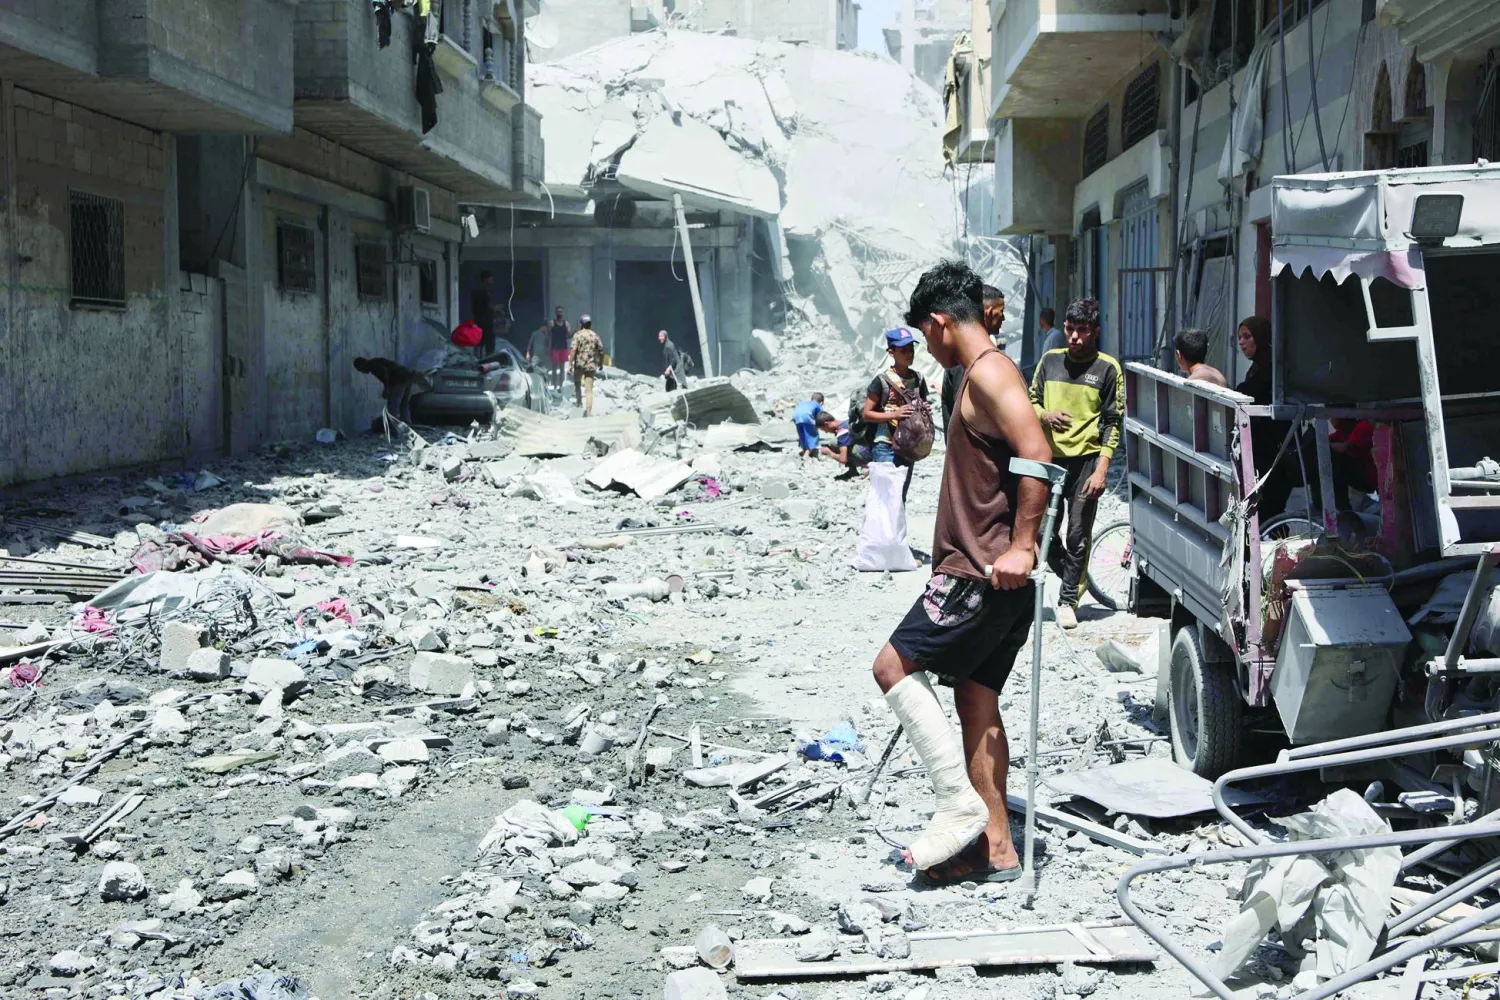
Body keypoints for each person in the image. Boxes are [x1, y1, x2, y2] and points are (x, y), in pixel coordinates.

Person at [870, 259, 1052, 886]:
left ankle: (956, 806)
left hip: (981, 572)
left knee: (891, 667)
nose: (926, 346)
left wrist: (1023, 545)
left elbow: (1038, 453)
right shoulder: (977, 375)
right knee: (976, 700)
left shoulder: (991, 372)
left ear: (941, 321)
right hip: (986, 573)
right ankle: (995, 848)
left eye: (926, 333)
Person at [1029, 298, 1123, 630]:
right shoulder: (1050, 361)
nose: (1074, 337)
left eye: (1082, 330)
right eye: (1070, 329)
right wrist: (1045, 416)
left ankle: (1068, 599)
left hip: (1086, 463)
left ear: (1095, 331)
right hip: (1049, 461)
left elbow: (1113, 421)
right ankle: (1073, 573)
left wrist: (1102, 468)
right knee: (1041, 532)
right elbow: (1031, 400)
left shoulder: (1108, 368)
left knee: (1078, 534)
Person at [864, 327, 931, 504]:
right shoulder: (881, 381)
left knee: (900, 497)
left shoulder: (918, 379)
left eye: (911, 349)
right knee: (886, 497)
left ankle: (898, 523)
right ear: (891, 352)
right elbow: (867, 413)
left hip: (909, 445)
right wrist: (894, 414)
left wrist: (925, 410)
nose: (909, 353)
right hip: (885, 445)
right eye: (903, 350)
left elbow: (923, 403)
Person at [942, 285, 1004, 435]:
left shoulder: (986, 347)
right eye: (1001, 311)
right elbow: (959, 406)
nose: (1003, 317)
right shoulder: (967, 354)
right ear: (989, 312)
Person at [353, 356, 417, 425]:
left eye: (360, 369)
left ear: (362, 364)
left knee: (393, 404)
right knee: (404, 403)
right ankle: (407, 422)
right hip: (407, 376)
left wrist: (387, 388)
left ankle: (393, 425)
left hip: (399, 379)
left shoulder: (372, 365)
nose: (362, 372)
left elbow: (385, 371)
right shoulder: (375, 361)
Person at [570, 315, 605, 417]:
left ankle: (579, 404)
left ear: (581, 324)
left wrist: (570, 364)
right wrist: (601, 363)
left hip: (579, 365)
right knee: (589, 389)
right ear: (590, 324)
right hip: (591, 365)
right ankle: (589, 411)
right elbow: (601, 351)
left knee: (577, 384)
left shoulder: (577, 335)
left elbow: (573, 350)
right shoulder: (595, 335)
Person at [816, 409, 858, 477]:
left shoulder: (841, 432)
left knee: (833, 444)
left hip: (865, 452)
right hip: (867, 447)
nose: (826, 432)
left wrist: (829, 452)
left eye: (824, 430)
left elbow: (843, 459)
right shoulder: (847, 422)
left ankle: (863, 466)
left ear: (826, 424)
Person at [792, 393, 826, 458]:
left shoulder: (803, 402)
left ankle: (803, 450)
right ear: (821, 402)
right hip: (807, 417)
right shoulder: (818, 405)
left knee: (802, 434)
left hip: (796, 417)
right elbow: (820, 416)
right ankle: (807, 453)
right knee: (813, 435)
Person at [471, 271, 496, 355]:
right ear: (485, 280)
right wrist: (496, 308)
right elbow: (489, 305)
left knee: (481, 342)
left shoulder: (481, 292)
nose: (492, 282)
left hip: (481, 322)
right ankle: (486, 357)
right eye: (490, 279)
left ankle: (480, 356)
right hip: (484, 323)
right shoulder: (482, 292)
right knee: (488, 343)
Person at [547, 307, 572, 390]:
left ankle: (561, 386)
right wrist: (548, 348)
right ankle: (554, 386)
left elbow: (568, 336)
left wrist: (572, 333)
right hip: (554, 348)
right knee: (554, 368)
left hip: (563, 348)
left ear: (563, 313)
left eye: (561, 311)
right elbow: (548, 336)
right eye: (558, 311)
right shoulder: (551, 323)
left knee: (562, 368)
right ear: (555, 313)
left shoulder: (566, 323)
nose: (559, 313)